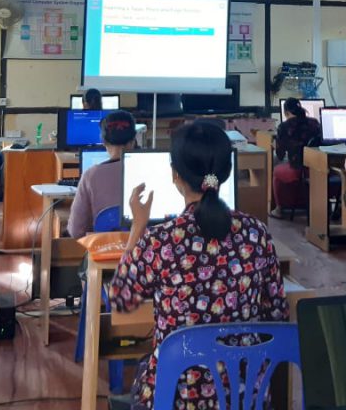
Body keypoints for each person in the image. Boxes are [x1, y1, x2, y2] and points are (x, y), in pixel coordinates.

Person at [110, 122, 289, 410]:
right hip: (244, 397)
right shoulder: (256, 233)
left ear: (175, 175)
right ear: (226, 172)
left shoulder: (160, 241)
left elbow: (120, 298)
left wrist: (137, 227)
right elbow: (277, 313)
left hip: (178, 396)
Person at [67, 111, 136, 237]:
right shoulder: (152, 169)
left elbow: (76, 231)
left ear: (103, 141)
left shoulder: (90, 176)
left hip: (105, 247)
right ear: (133, 140)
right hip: (146, 246)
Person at [271, 98, 323, 218]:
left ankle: (279, 208)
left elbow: (280, 155)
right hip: (317, 166)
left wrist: (275, 145)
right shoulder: (314, 122)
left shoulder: (284, 126)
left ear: (286, 113)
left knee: (276, 167)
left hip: (298, 167)